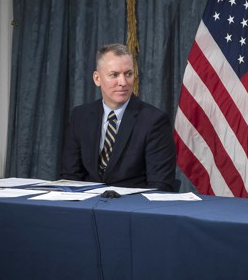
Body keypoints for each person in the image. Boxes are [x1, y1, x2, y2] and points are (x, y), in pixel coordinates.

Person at [59, 43, 175, 191]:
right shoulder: (80, 116)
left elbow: (160, 185)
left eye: (128, 74)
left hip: (132, 208)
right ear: (97, 78)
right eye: (114, 75)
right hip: (86, 206)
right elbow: (70, 176)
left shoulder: (154, 120)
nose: (123, 83)